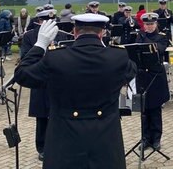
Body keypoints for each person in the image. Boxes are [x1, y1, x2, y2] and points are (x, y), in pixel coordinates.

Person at [15, 15, 136, 168]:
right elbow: (132, 71)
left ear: (75, 31)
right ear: (102, 33)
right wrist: (105, 49)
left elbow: (22, 75)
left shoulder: (55, 58)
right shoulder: (118, 56)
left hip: (65, 140)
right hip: (105, 141)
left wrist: (40, 45)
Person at [20, 9, 72, 162]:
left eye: (52, 21)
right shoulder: (30, 36)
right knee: (42, 118)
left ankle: (61, 144)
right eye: (46, 21)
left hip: (59, 82)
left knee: (60, 115)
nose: (50, 24)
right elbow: (25, 57)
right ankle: (42, 147)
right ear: (39, 22)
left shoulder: (61, 35)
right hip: (41, 81)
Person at [135, 13, 170, 151]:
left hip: (155, 76)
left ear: (156, 24)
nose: (149, 27)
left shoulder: (162, 37)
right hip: (143, 75)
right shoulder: (140, 36)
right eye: (147, 24)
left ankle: (156, 139)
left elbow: (159, 50)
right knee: (144, 111)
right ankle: (145, 139)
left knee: (155, 109)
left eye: (151, 24)